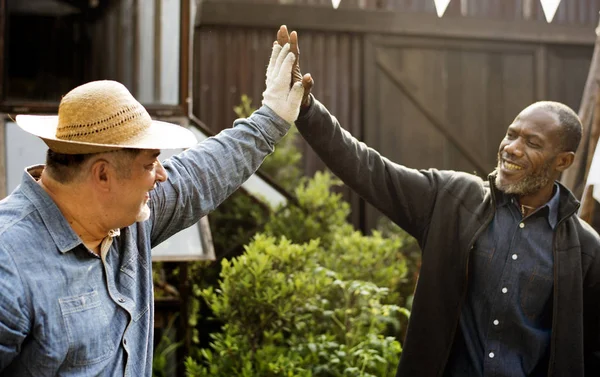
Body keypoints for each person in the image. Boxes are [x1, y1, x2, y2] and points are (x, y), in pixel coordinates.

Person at [278, 26, 600, 377]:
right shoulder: (452, 199)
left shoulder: (584, 251)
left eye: (532, 143)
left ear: (563, 162)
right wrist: (306, 108)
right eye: (511, 134)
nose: (511, 148)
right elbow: (368, 169)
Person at [0, 41, 306, 376]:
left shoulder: (126, 217)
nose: (161, 175)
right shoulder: (9, 265)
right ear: (102, 174)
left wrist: (270, 119)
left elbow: (197, 176)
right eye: (150, 164)